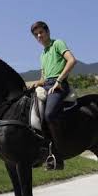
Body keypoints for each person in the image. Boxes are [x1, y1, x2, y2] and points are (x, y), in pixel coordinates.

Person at [30, 21, 76, 170]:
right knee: (36, 114)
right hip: (48, 84)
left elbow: (71, 60)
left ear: (47, 31)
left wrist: (58, 81)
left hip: (59, 84)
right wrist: (37, 83)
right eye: (36, 35)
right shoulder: (42, 55)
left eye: (41, 32)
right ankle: (43, 151)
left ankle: (58, 155)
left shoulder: (58, 43)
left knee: (49, 114)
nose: (39, 36)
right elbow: (44, 77)